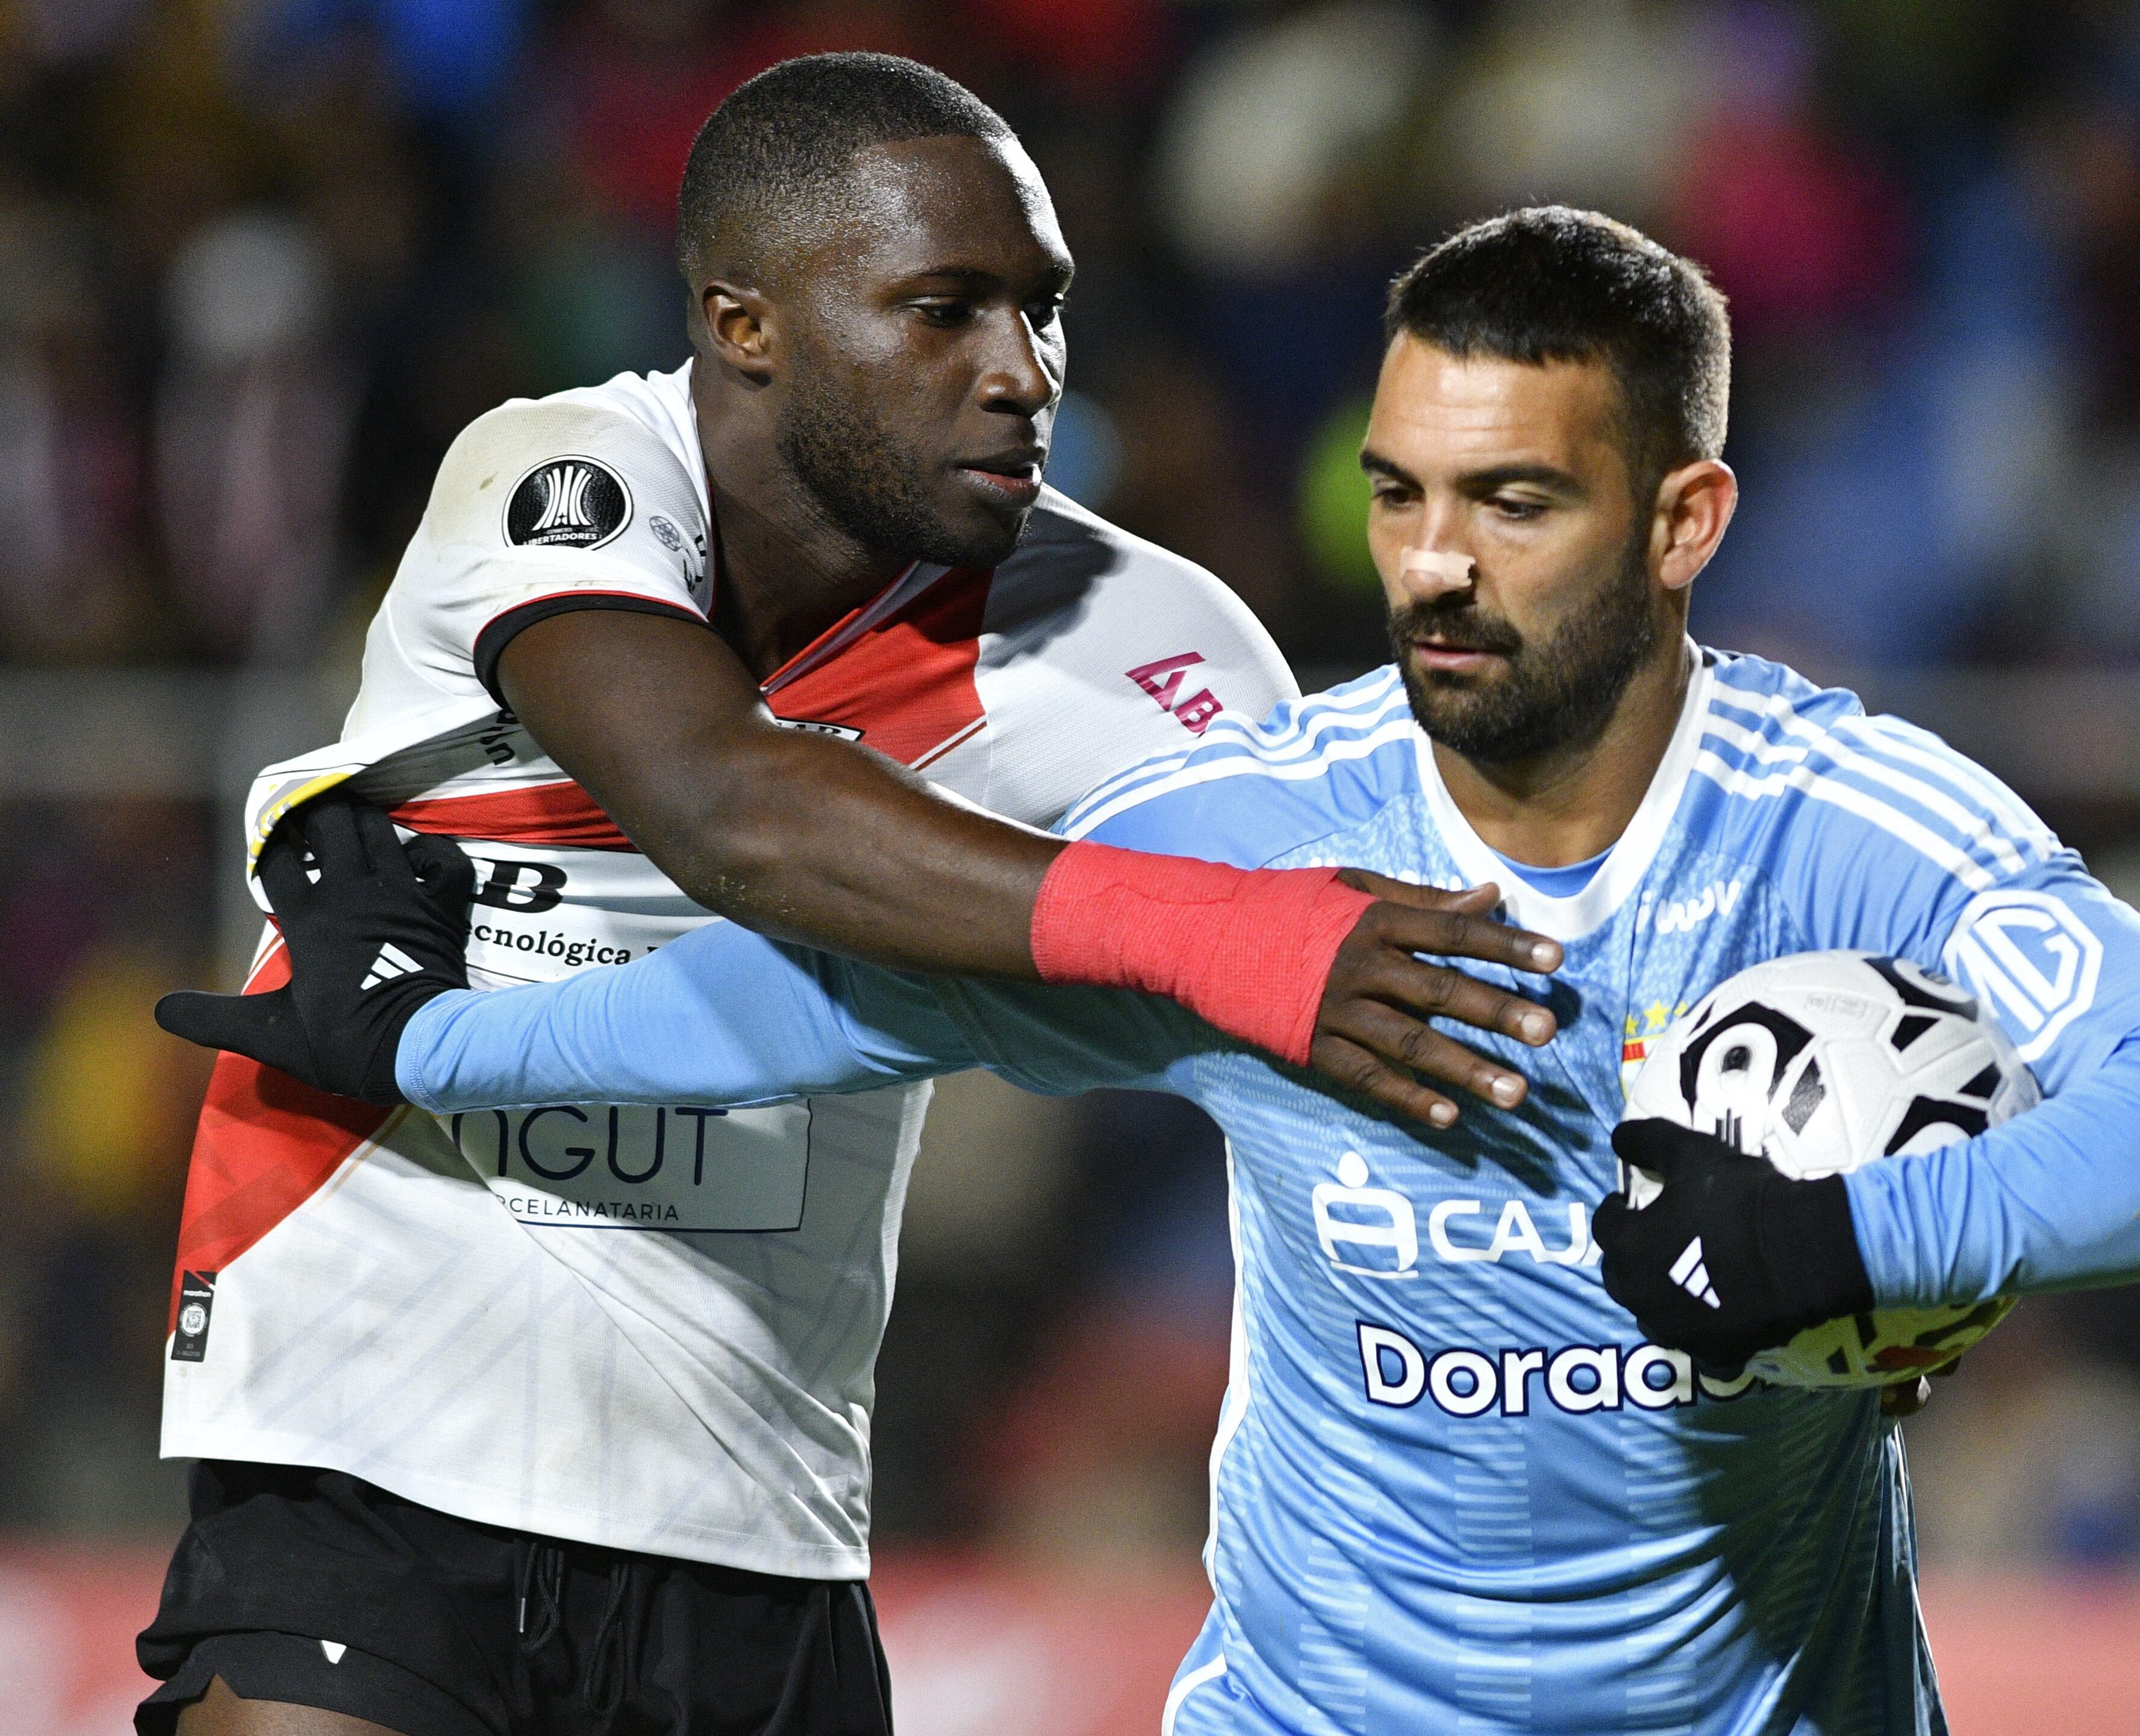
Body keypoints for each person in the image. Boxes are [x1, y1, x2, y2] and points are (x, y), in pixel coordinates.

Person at [169, 208, 2140, 1734]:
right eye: (1400, 495)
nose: (1433, 565)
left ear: (1683, 522)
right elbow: (823, 1003)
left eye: (1515, 503)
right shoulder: (1258, 837)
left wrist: (1847, 1237)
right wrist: (428, 1038)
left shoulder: (1843, 827)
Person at [137, 55, 1561, 1736]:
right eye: (945, 311)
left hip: (750, 1516)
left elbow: (1379, 975)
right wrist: (1205, 933)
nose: (1022, 372)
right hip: (362, 1443)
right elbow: (730, 809)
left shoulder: (1142, 641)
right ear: (745, 324)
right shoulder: (561, 471)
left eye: (1043, 309)